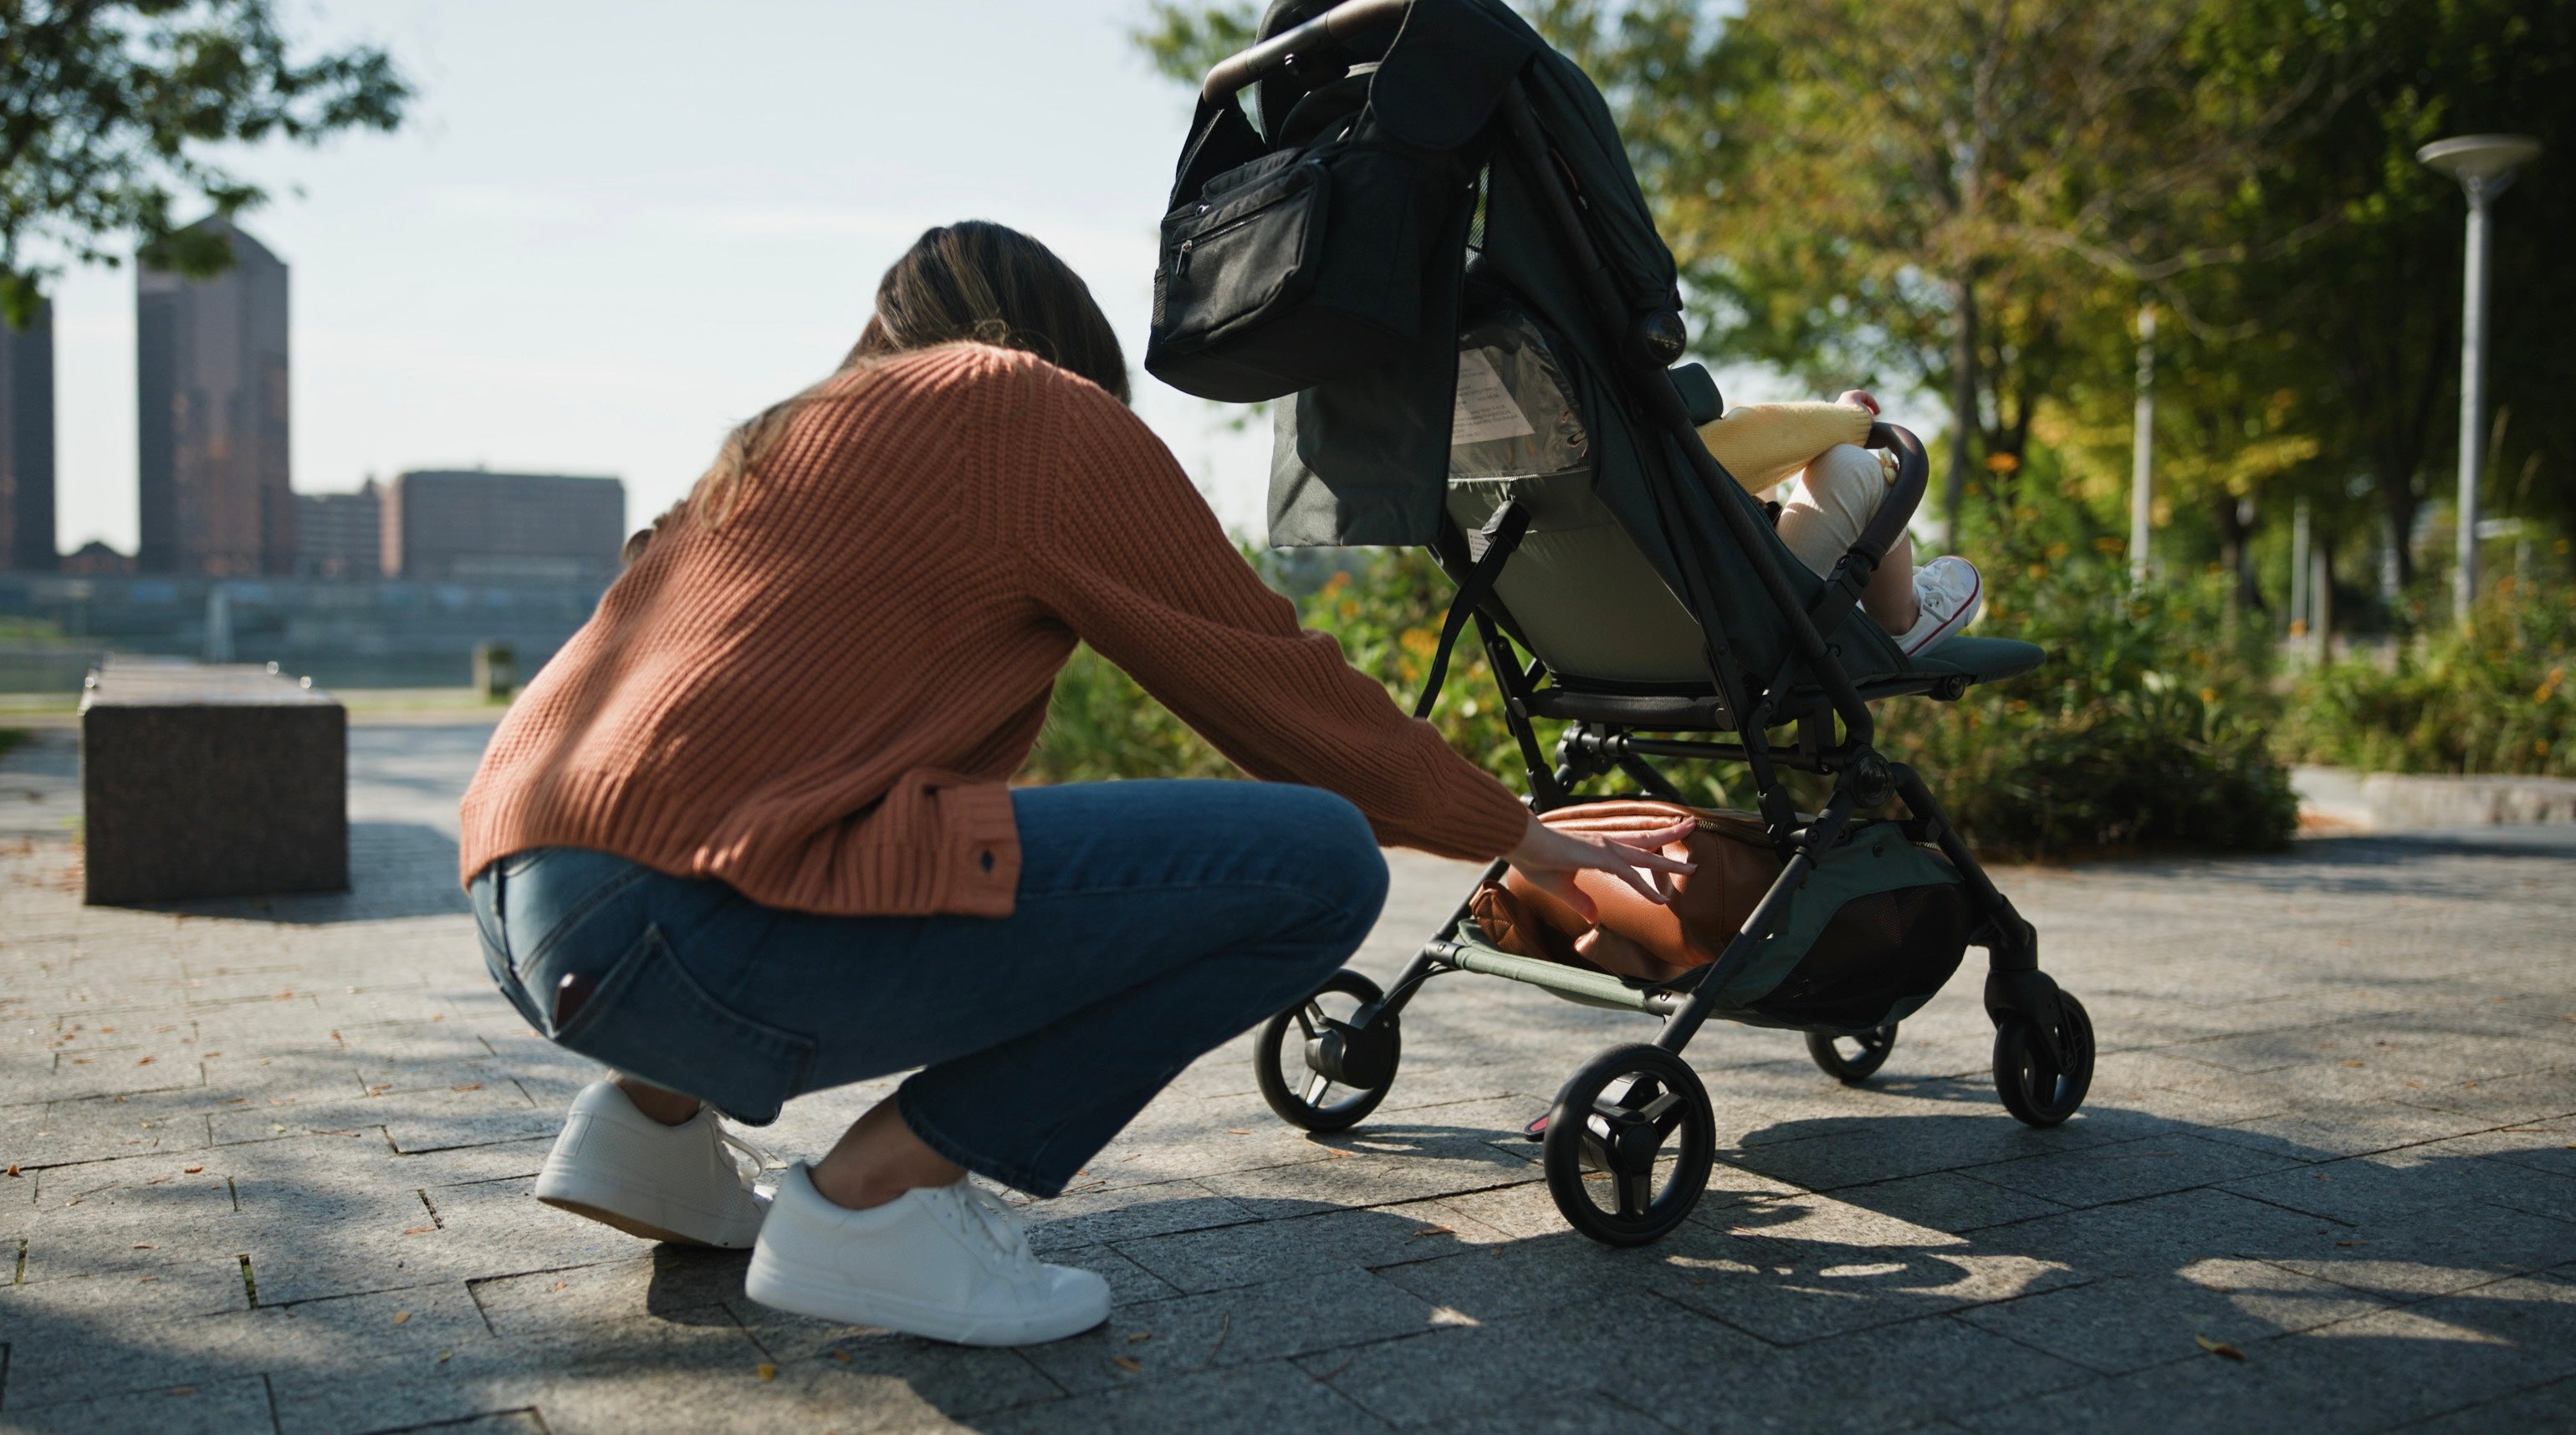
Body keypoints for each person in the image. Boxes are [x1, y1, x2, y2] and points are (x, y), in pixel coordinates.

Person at [458, 221, 1691, 1349]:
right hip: (673, 929)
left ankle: (649, 1130)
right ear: (1066, 345)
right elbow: (1274, 683)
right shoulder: (1016, 403)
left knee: (832, 826)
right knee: (1314, 865)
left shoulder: (786, 438)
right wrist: (1520, 835)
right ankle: (875, 1204)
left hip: (528, 905)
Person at [1696, 391, 1981, 655]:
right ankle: (1901, 622)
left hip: (1677, 629)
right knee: (1854, 467)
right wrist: (1845, 419)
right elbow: (1716, 454)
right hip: (1745, 627)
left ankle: (1854, 602)